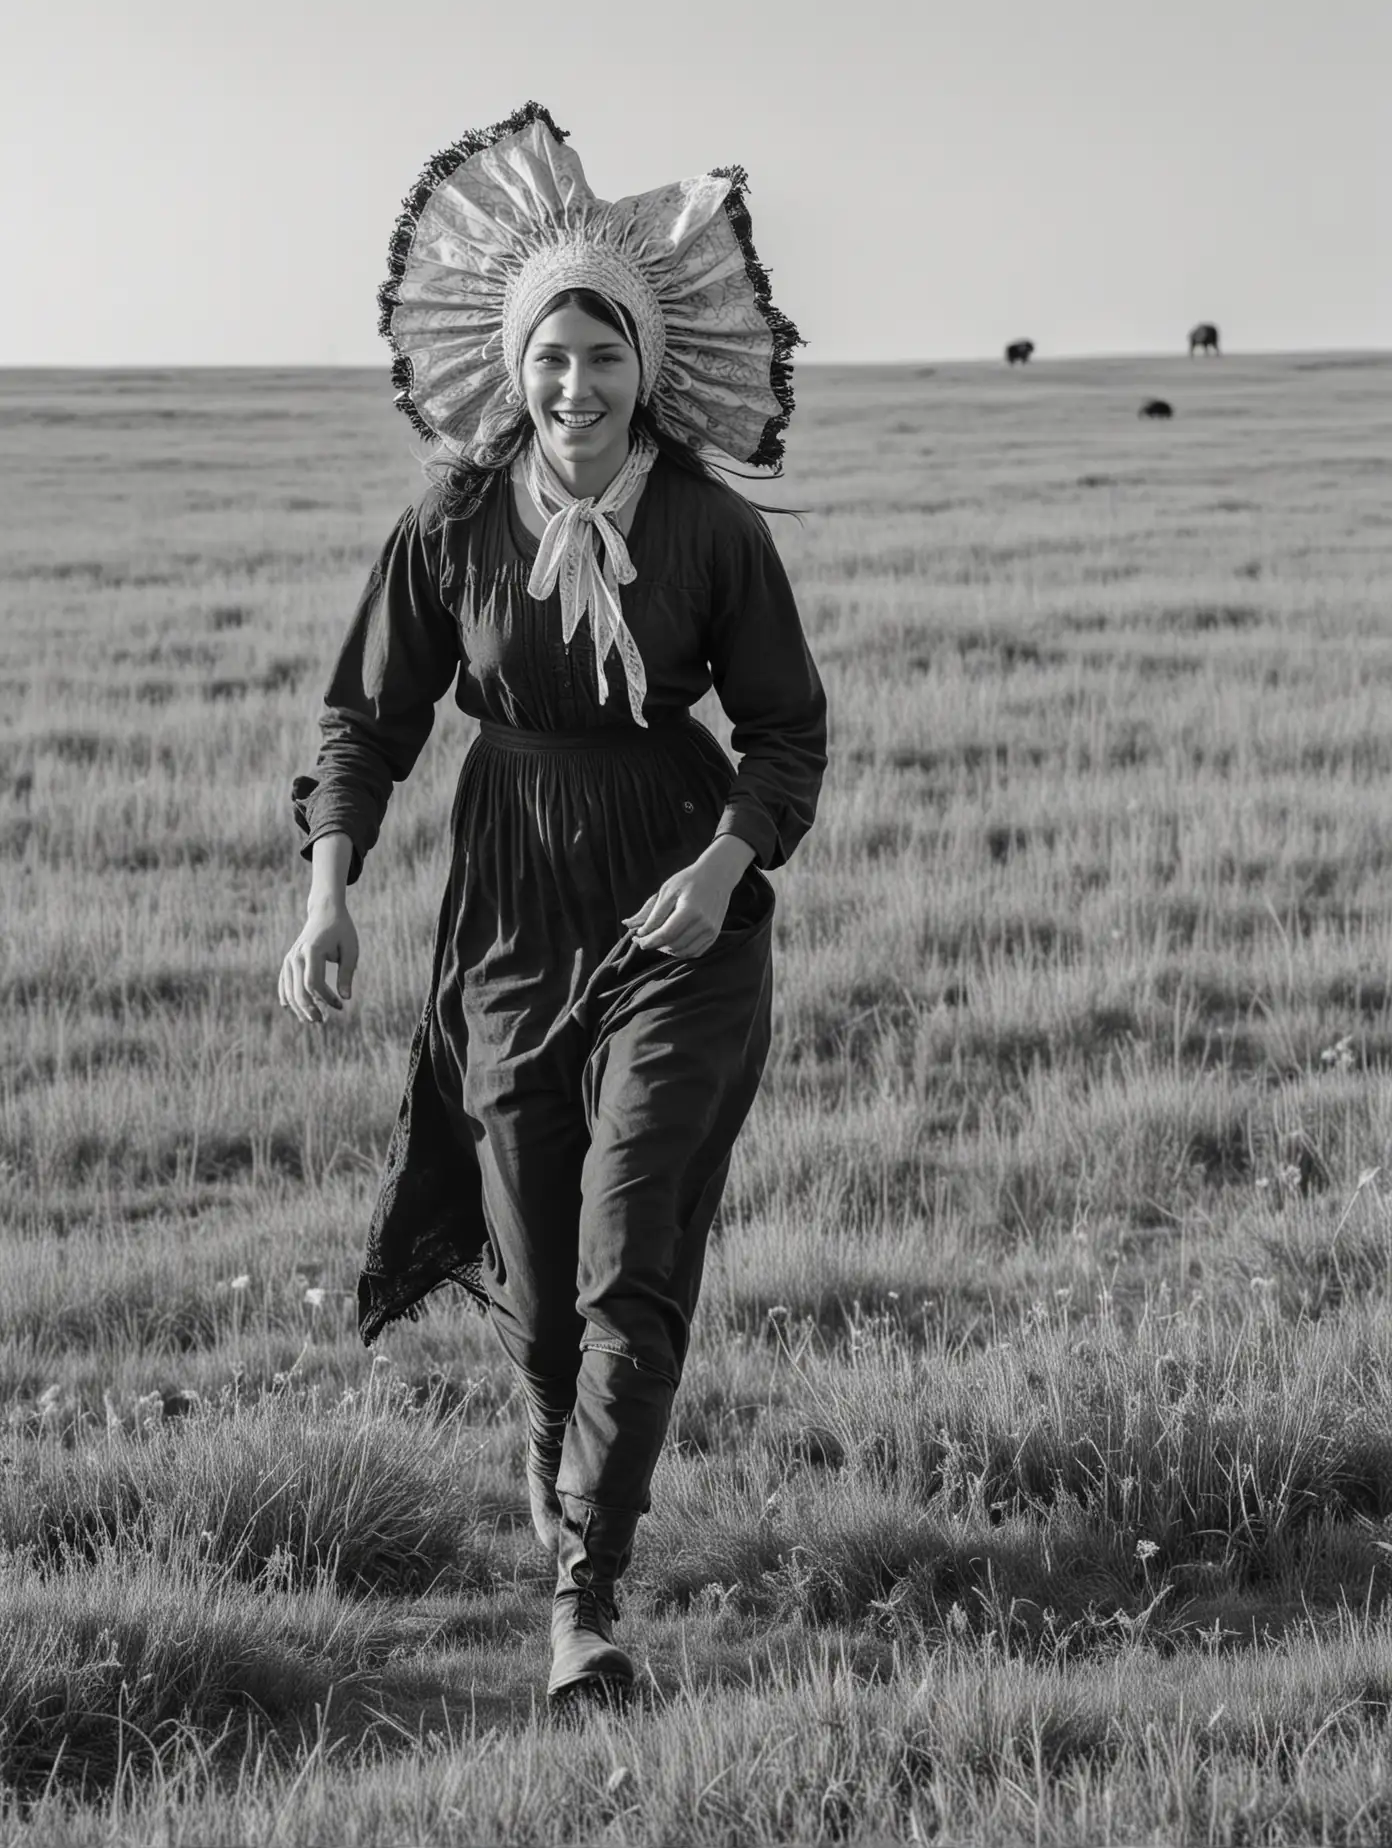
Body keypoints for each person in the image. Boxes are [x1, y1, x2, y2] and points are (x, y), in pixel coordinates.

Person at [278, 103, 827, 1709]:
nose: (573, 385)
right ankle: (547, 1434)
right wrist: (330, 897)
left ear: (645, 367)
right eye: (549, 357)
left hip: (679, 904)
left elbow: (786, 730)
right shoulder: (452, 521)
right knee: (533, 1264)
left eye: (601, 354)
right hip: (509, 907)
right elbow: (365, 718)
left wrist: (725, 872)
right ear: (512, 369)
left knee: (630, 1251)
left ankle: (587, 1594)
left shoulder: (709, 528)